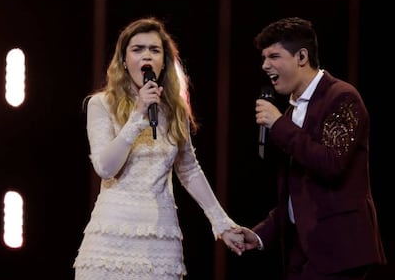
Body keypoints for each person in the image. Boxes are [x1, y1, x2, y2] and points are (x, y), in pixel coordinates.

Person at [73, 17, 243, 280]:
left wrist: (222, 223)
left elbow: (189, 169)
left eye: (154, 50)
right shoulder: (101, 104)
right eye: (137, 49)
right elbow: (106, 167)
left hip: (159, 238)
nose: (147, 56)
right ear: (123, 59)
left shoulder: (175, 109)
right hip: (111, 235)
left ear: (164, 60)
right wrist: (137, 116)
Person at [236, 17, 386, 279]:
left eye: (274, 56)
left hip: (340, 252)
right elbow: (297, 193)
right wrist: (260, 235)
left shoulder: (342, 97)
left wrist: (279, 125)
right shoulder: (293, 111)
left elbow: (331, 164)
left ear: (301, 56)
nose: (265, 65)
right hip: (305, 252)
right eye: (263, 57)